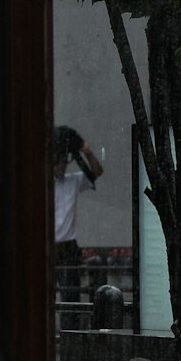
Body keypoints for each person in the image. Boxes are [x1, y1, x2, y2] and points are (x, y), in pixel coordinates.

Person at [53, 124, 103, 318]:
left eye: (65, 162)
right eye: (59, 162)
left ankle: (69, 336)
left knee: (70, 298)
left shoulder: (72, 182)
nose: (63, 166)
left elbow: (97, 171)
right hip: (49, 247)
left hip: (67, 249)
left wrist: (86, 151)